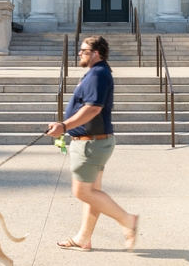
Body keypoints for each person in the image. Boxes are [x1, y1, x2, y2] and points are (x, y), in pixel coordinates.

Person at [46, 35, 138, 251]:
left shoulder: (98, 74)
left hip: (90, 143)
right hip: (94, 141)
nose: (79, 53)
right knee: (93, 192)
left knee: (82, 192)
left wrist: (64, 126)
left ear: (96, 53)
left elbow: (93, 108)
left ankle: (128, 221)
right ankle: (83, 238)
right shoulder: (97, 72)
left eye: (84, 50)